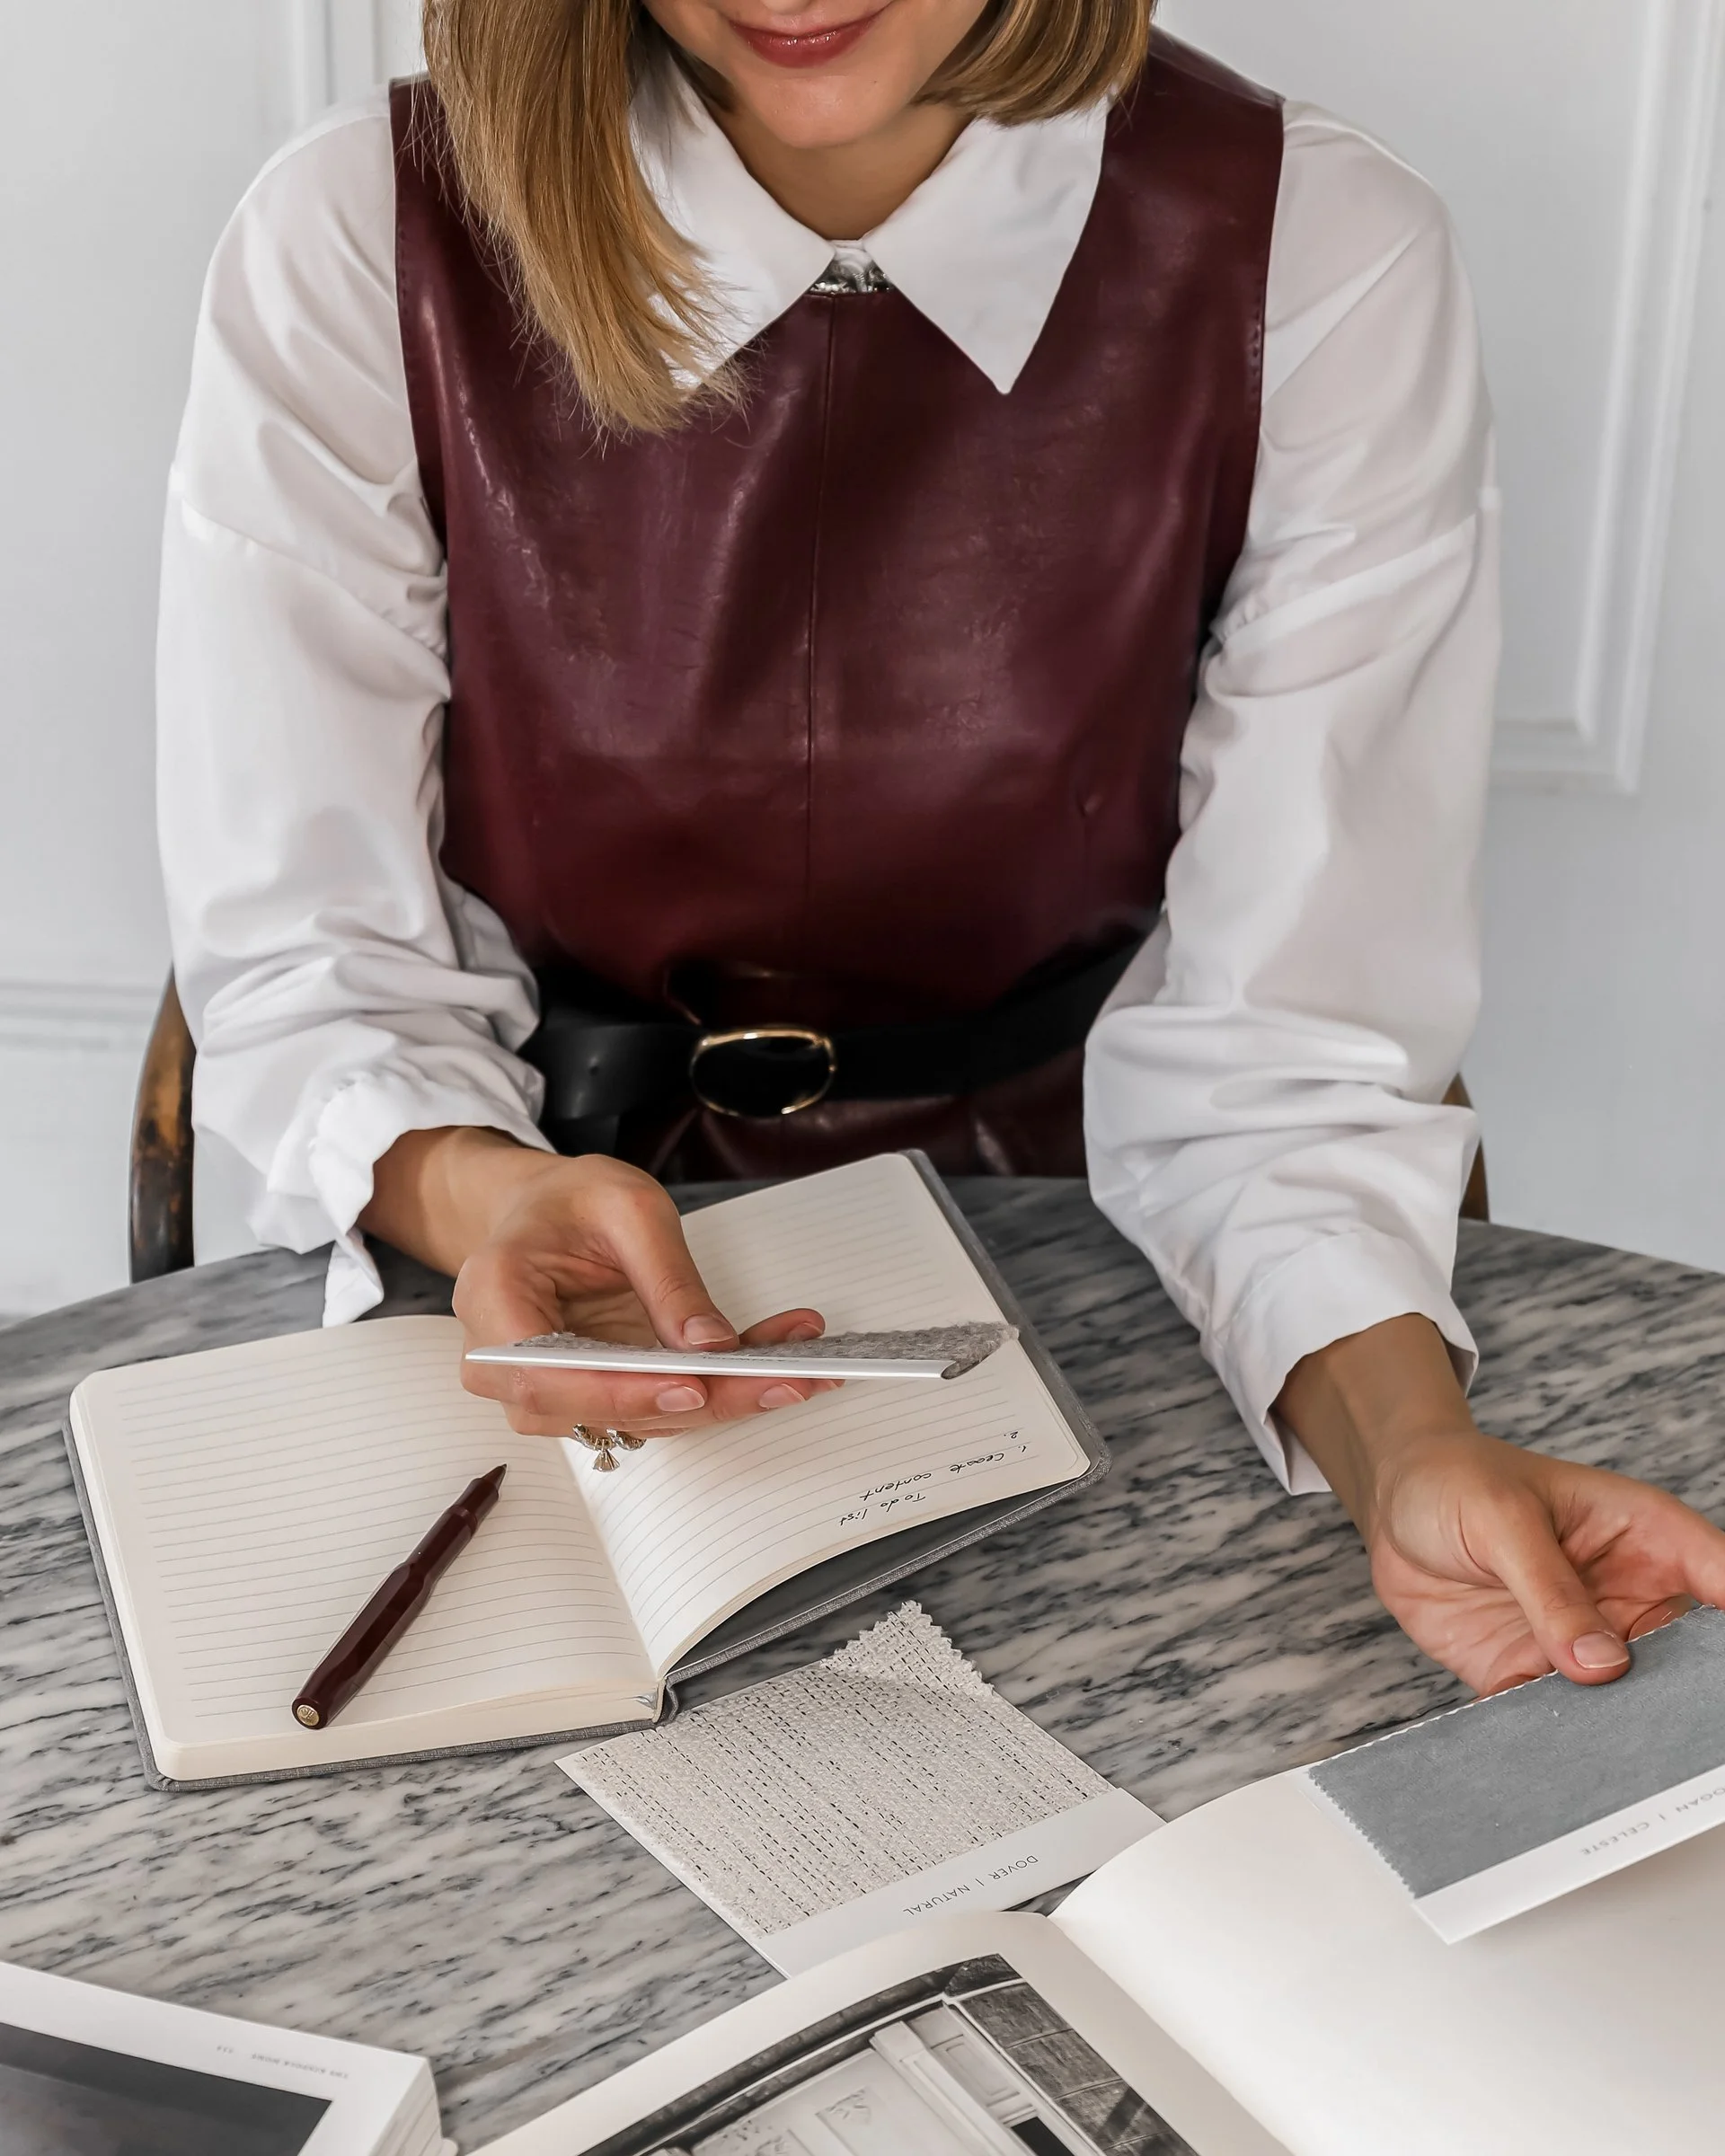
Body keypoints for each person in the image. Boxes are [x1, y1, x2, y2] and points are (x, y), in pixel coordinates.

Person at [157, 0, 1725, 1700]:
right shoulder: (358, 233)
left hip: (1113, 1267)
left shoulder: (1318, 251)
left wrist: (1407, 1449)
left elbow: (1284, 1041)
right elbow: (312, 953)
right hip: (525, 1244)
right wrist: (488, 1194)